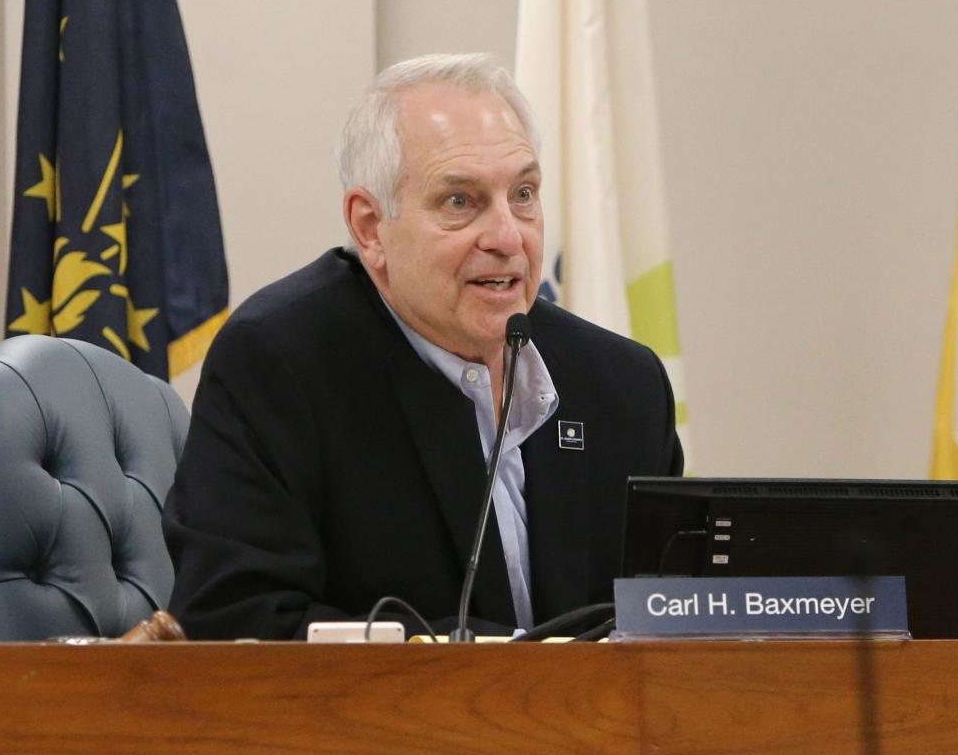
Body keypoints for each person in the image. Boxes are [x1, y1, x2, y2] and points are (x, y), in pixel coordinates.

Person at [163, 53, 683, 639]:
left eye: (524, 194)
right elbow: (235, 622)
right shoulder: (280, 363)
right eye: (460, 202)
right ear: (369, 228)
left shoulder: (622, 384)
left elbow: (678, 624)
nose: (508, 236)